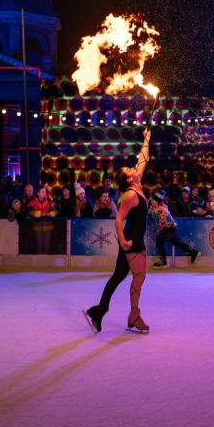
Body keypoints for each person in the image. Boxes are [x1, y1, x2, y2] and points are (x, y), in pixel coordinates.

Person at [84, 127, 152, 334]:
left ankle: (99, 310)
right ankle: (134, 314)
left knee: (117, 277)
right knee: (139, 277)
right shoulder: (131, 195)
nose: (133, 168)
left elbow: (143, 159)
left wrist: (147, 138)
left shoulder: (136, 183)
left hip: (131, 239)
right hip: (132, 241)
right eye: (129, 170)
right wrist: (123, 241)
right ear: (129, 179)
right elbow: (119, 219)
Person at [149, 190, 199, 268]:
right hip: (168, 228)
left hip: (169, 228)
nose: (151, 201)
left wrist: (159, 231)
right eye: (151, 199)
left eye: (153, 200)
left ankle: (163, 262)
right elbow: (150, 214)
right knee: (176, 243)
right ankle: (193, 252)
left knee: (159, 242)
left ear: (157, 201)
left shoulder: (162, 209)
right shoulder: (153, 208)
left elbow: (161, 223)